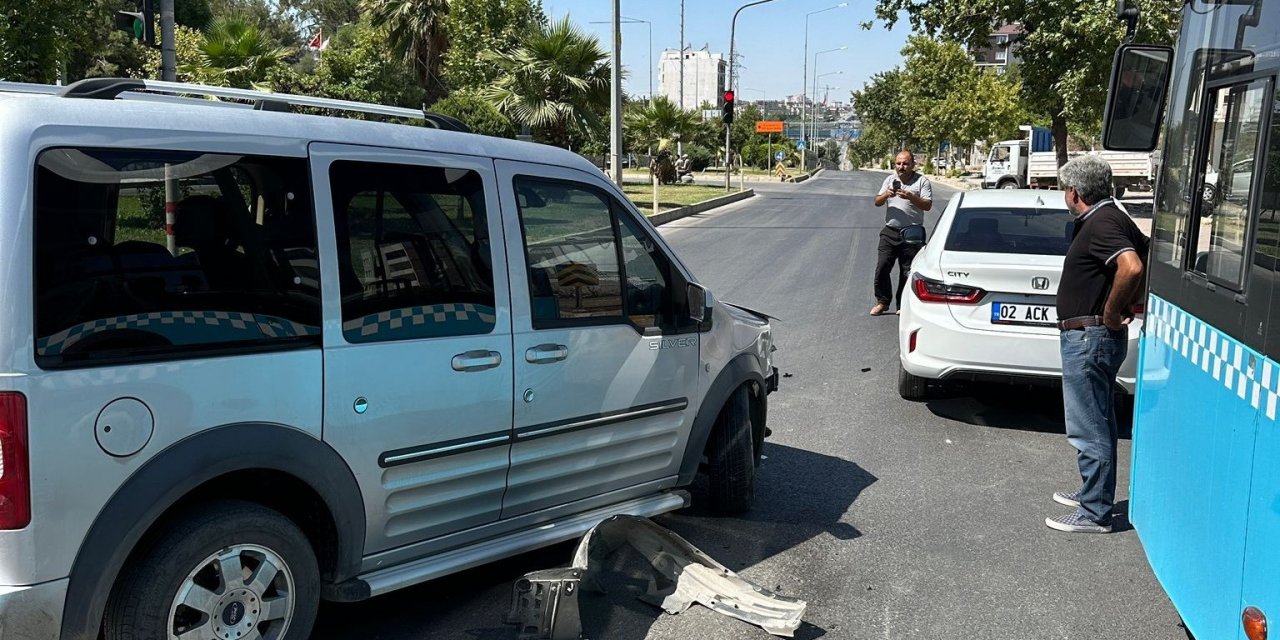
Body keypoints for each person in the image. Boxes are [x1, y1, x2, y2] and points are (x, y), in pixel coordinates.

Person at [1047, 155, 1146, 534]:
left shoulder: (1103, 221)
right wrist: (1130, 304)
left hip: (1090, 337)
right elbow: (1145, 255)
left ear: (1074, 192)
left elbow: (1133, 265)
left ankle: (1094, 513)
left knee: (1089, 426)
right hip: (1091, 337)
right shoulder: (1113, 217)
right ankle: (1094, 494)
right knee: (1097, 420)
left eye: (1063, 190)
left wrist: (1111, 311)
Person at [871, 151, 933, 315]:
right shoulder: (890, 180)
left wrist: (911, 197)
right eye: (898, 163)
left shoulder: (922, 182)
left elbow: (927, 205)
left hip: (912, 233)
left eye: (905, 164)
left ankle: (902, 304)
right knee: (882, 267)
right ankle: (883, 301)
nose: (901, 167)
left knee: (907, 271)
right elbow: (877, 202)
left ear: (912, 164)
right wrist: (886, 194)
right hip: (890, 232)